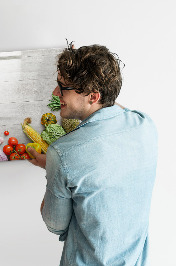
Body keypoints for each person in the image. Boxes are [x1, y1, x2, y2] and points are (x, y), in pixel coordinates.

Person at [27, 44, 158, 265]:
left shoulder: (63, 152)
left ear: (93, 95)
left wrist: (53, 169)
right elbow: (114, 110)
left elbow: (55, 224)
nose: (55, 93)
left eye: (63, 86)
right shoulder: (145, 125)